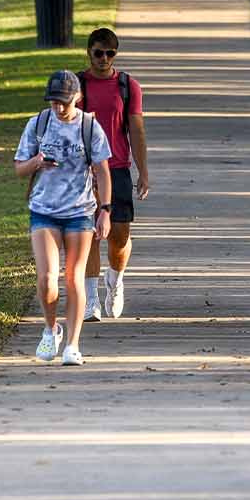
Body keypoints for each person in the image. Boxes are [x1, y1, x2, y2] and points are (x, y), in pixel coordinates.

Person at [14, 70, 114, 365]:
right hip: (43, 210)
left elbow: (103, 172)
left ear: (77, 98)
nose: (58, 108)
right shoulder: (38, 124)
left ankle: (72, 345)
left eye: (64, 102)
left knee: (74, 278)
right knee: (47, 280)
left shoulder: (89, 126)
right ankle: (51, 329)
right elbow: (19, 169)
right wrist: (36, 162)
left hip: (80, 211)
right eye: (54, 102)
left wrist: (105, 211)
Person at [78, 27, 149, 319]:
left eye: (110, 53)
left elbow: (136, 128)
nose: (104, 58)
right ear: (89, 53)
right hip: (84, 170)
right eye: (98, 53)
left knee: (119, 235)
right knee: (90, 233)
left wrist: (143, 171)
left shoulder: (127, 85)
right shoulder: (78, 84)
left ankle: (115, 280)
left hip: (118, 167)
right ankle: (91, 298)